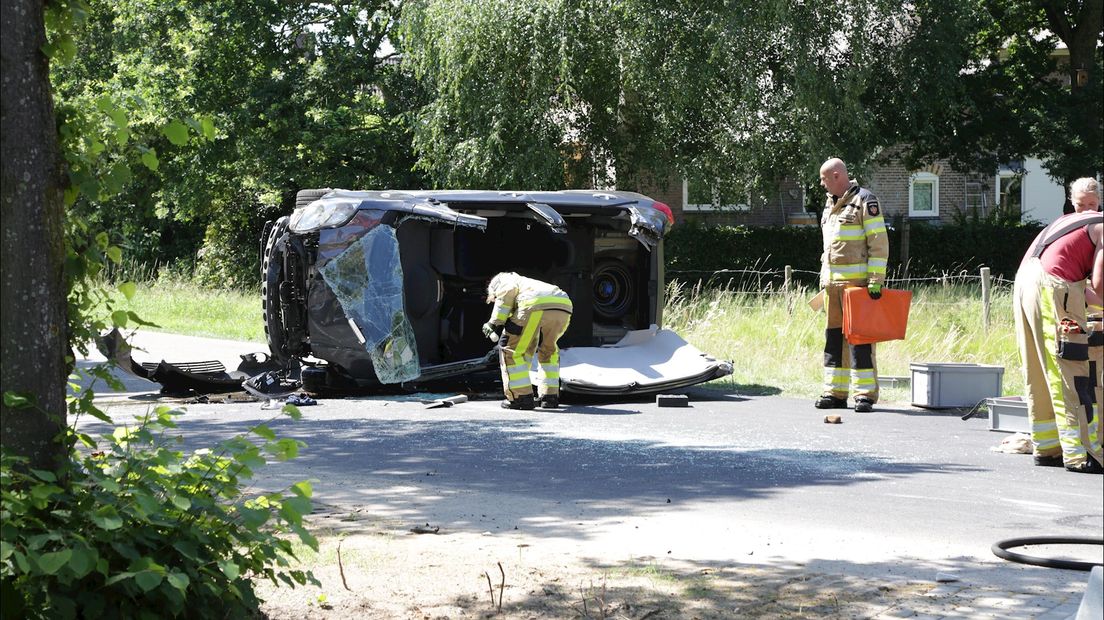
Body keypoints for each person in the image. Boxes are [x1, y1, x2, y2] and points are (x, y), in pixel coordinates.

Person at [1013, 177, 1104, 474]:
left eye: (1091, 204)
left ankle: (1047, 446)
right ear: (1073, 202)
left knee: (1039, 368)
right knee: (1072, 366)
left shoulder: (1063, 224)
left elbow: (1081, 285)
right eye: (1082, 204)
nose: (1087, 209)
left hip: (1025, 281)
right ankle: (1081, 453)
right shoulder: (1101, 225)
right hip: (1052, 285)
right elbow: (1099, 287)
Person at [814, 158, 889, 414]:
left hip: (857, 287)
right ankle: (834, 393)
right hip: (832, 286)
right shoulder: (829, 205)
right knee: (833, 341)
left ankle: (864, 395)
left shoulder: (865, 201)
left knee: (860, 342)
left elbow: (878, 244)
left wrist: (875, 281)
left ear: (837, 175)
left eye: (824, 178)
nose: (822, 183)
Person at [482, 272, 573, 410]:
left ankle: (521, 398)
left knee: (510, 350)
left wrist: (493, 323)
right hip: (563, 306)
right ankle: (549, 397)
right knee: (549, 350)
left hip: (534, 305)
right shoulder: (528, 283)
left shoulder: (504, 279)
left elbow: (507, 293)